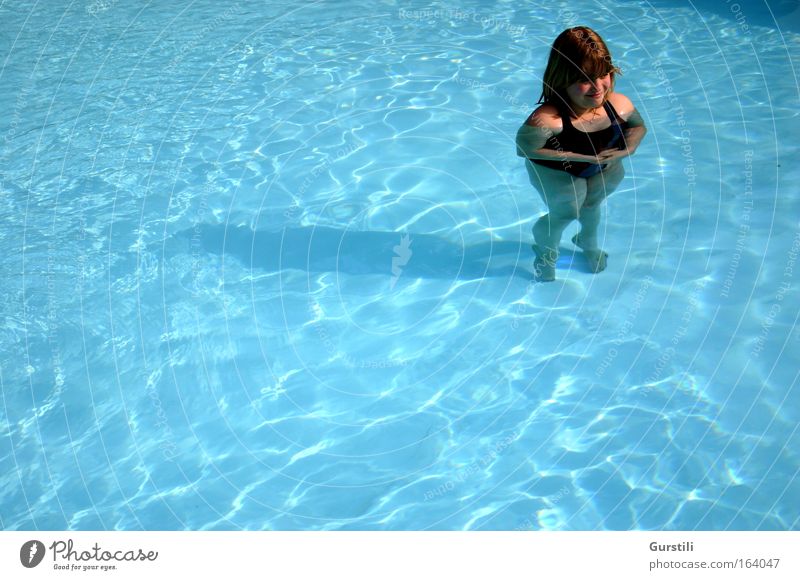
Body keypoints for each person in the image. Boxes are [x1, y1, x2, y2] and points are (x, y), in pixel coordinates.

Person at [516, 26, 646, 281]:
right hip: (557, 170)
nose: (598, 88)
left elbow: (638, 126)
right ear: (562, 78)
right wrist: (581, 157)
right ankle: (545, 252)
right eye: (584, 79)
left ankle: (587, 240)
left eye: (603, 74)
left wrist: (628, 148)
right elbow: (524, 149)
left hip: (603, 165)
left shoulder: (619, 104)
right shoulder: (548, 119)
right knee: (566, 212)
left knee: (591, 204)